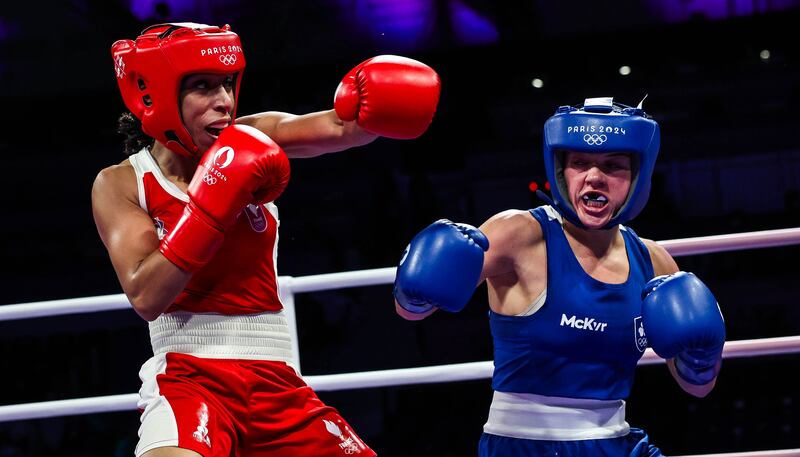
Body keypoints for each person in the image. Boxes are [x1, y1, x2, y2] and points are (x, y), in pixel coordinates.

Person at [92, 22, 440, 457]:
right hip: (188, 379)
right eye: (202, 86)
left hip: (276, 381)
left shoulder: (254, 136)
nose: (223, 101)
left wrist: (376, 107)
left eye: (227, 84)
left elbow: (342, 128)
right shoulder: (124, 183)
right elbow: (145, 295)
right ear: (155, 95)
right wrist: (213, 202)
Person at [393, 97, 726, 456]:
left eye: (612, 165)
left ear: (637, 176)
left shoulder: (654, 261)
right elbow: (411, 311)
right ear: (561, 171)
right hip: (523, 446)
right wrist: (419, 286)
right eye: (580, 163)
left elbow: (698, 387)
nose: (594, 177)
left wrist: (701, 357)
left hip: (617, 443)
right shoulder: (520, 234)